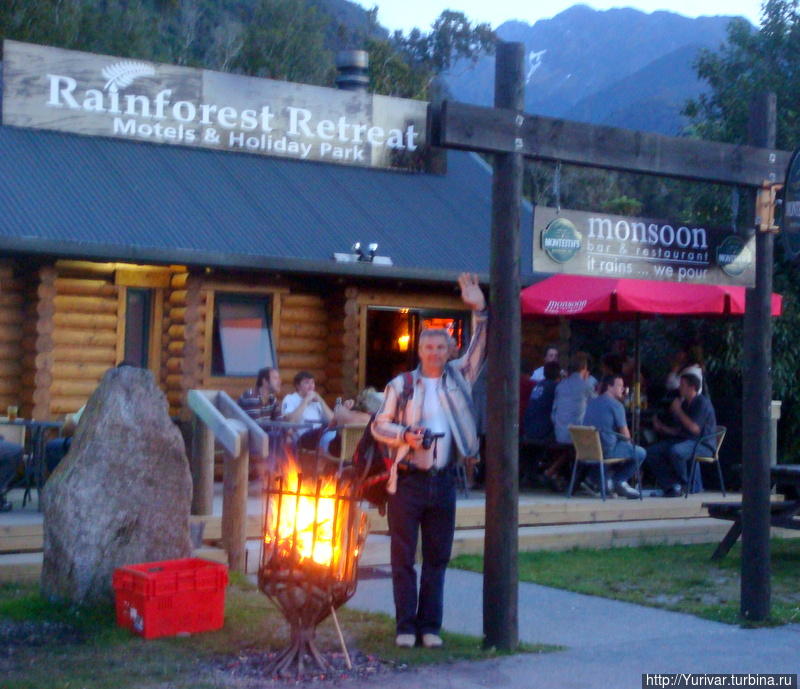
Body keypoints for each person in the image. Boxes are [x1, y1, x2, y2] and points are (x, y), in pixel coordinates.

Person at [372, 273, 487, 650]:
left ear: (450, 350)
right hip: (407, 480)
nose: (435, 353)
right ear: (419, 352)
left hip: (444, 480)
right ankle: (405, 627)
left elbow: (481, 349)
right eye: (428, 348)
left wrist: (479, 310)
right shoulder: (402, 385)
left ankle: (430, 627)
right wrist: (406, 435)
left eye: (441, 347)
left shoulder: (459, 378)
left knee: (437, 559)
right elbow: (379, 424)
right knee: (403, 558)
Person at [647, 373, 717, 497]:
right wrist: (662, 428)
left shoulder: (701, 403)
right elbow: (680, 431)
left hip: (702, 443)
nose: (679, 387)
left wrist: (678, 411)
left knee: (677, 451)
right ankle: (671, 486)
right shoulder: (684, 404)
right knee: (654, 451)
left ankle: (685, 485)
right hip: (685, 440)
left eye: (682, 385)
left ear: (692, 387)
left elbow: (695, 429)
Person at [582, 374, 645, 499]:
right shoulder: (616, 405)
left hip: (588, 449)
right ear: (609, 387)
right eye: (620, 386)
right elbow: (626, 435)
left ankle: (596, 480)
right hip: (606, 450)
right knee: (640, 452)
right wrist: (629, 443)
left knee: (615, 446)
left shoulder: (592, 402)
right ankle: (618, 481)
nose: (623, 389)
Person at [281, 371, 334, 449]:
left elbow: (332, 420)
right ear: (298, 386)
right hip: (302, 438)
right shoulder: (290, 399)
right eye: (307, 383)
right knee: (328, 435)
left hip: (318, 434)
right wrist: (306, 400)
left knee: (334, 433)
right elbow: (290, 420)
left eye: (312, 383)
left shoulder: (316, 402)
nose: (311, 386)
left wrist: (321, 401)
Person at [551, 352, 596, 444]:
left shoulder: (560, 386)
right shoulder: (586, 386)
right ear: (585, 367)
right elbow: (597, 406)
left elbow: (553, 413)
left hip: (559, 435)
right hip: (578, 437)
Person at [0, 436, 24, 512]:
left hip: (11, 454)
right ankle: (2, 502)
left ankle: (2, 502)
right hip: (13, 452)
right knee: (3, 477)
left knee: (3, 477)